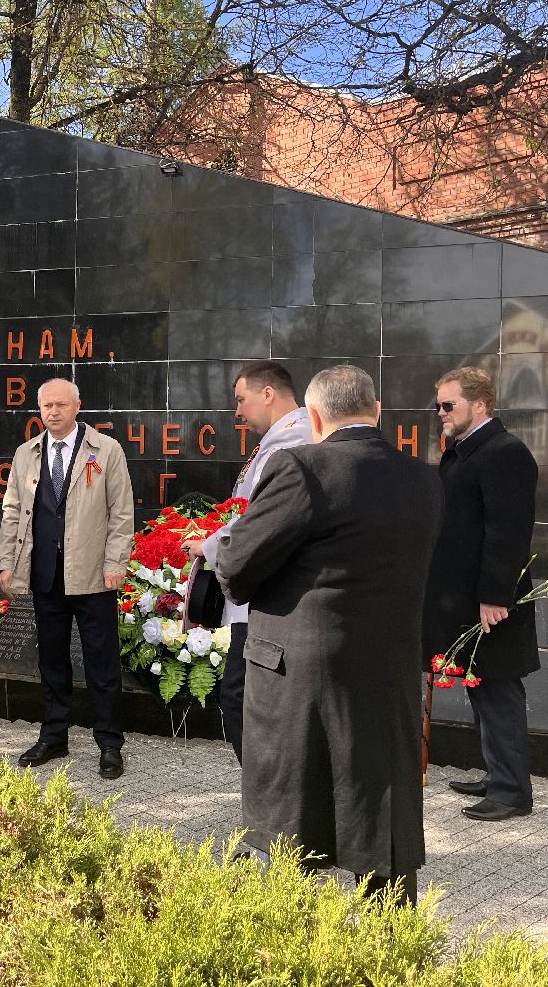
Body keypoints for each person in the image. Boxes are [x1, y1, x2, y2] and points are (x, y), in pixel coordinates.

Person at [215, 365, 442, 905]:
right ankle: (391, 951)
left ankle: (298, 947)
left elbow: (238, 567)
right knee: (380, 822)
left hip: (300, 679)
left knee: (294, 828)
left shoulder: (302, 467)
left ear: (313, 416)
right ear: (377, 411)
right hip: (388, 673)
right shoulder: (424, 478)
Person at [0, 378, 134, 779]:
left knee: (101, 662)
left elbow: (121, 514)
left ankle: (109, 742)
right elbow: (12, 512)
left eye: (60, 405)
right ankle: (54, 735)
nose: (53, 412)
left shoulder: (106, 450)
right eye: (46, 406)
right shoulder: (26, 454)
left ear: (77, 406)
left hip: (93, 575)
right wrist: (8, 563)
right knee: (51, 659)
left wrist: (115, 563)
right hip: (45, 576)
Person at [424, 366, 540, 822]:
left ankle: (512, 791)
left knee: (498, 688)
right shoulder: (470, 452)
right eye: (438, 406)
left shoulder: (504, 453)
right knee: (484, 688)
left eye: (448, 405)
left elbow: (508, 534)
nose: (440, 414)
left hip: (490, 601)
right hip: (467, 598)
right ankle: (498, 775)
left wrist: (495, 596)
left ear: (481, 405)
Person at [181, 360, 309, 763]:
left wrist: (210, 546)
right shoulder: (280, 439)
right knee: (243, 696)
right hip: (258, 591)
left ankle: (270, 796)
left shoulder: (292, 442)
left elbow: (263, 517)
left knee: (242, 698)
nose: (236, 411)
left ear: (267, 394)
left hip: (268, 595)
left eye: (241, 399)